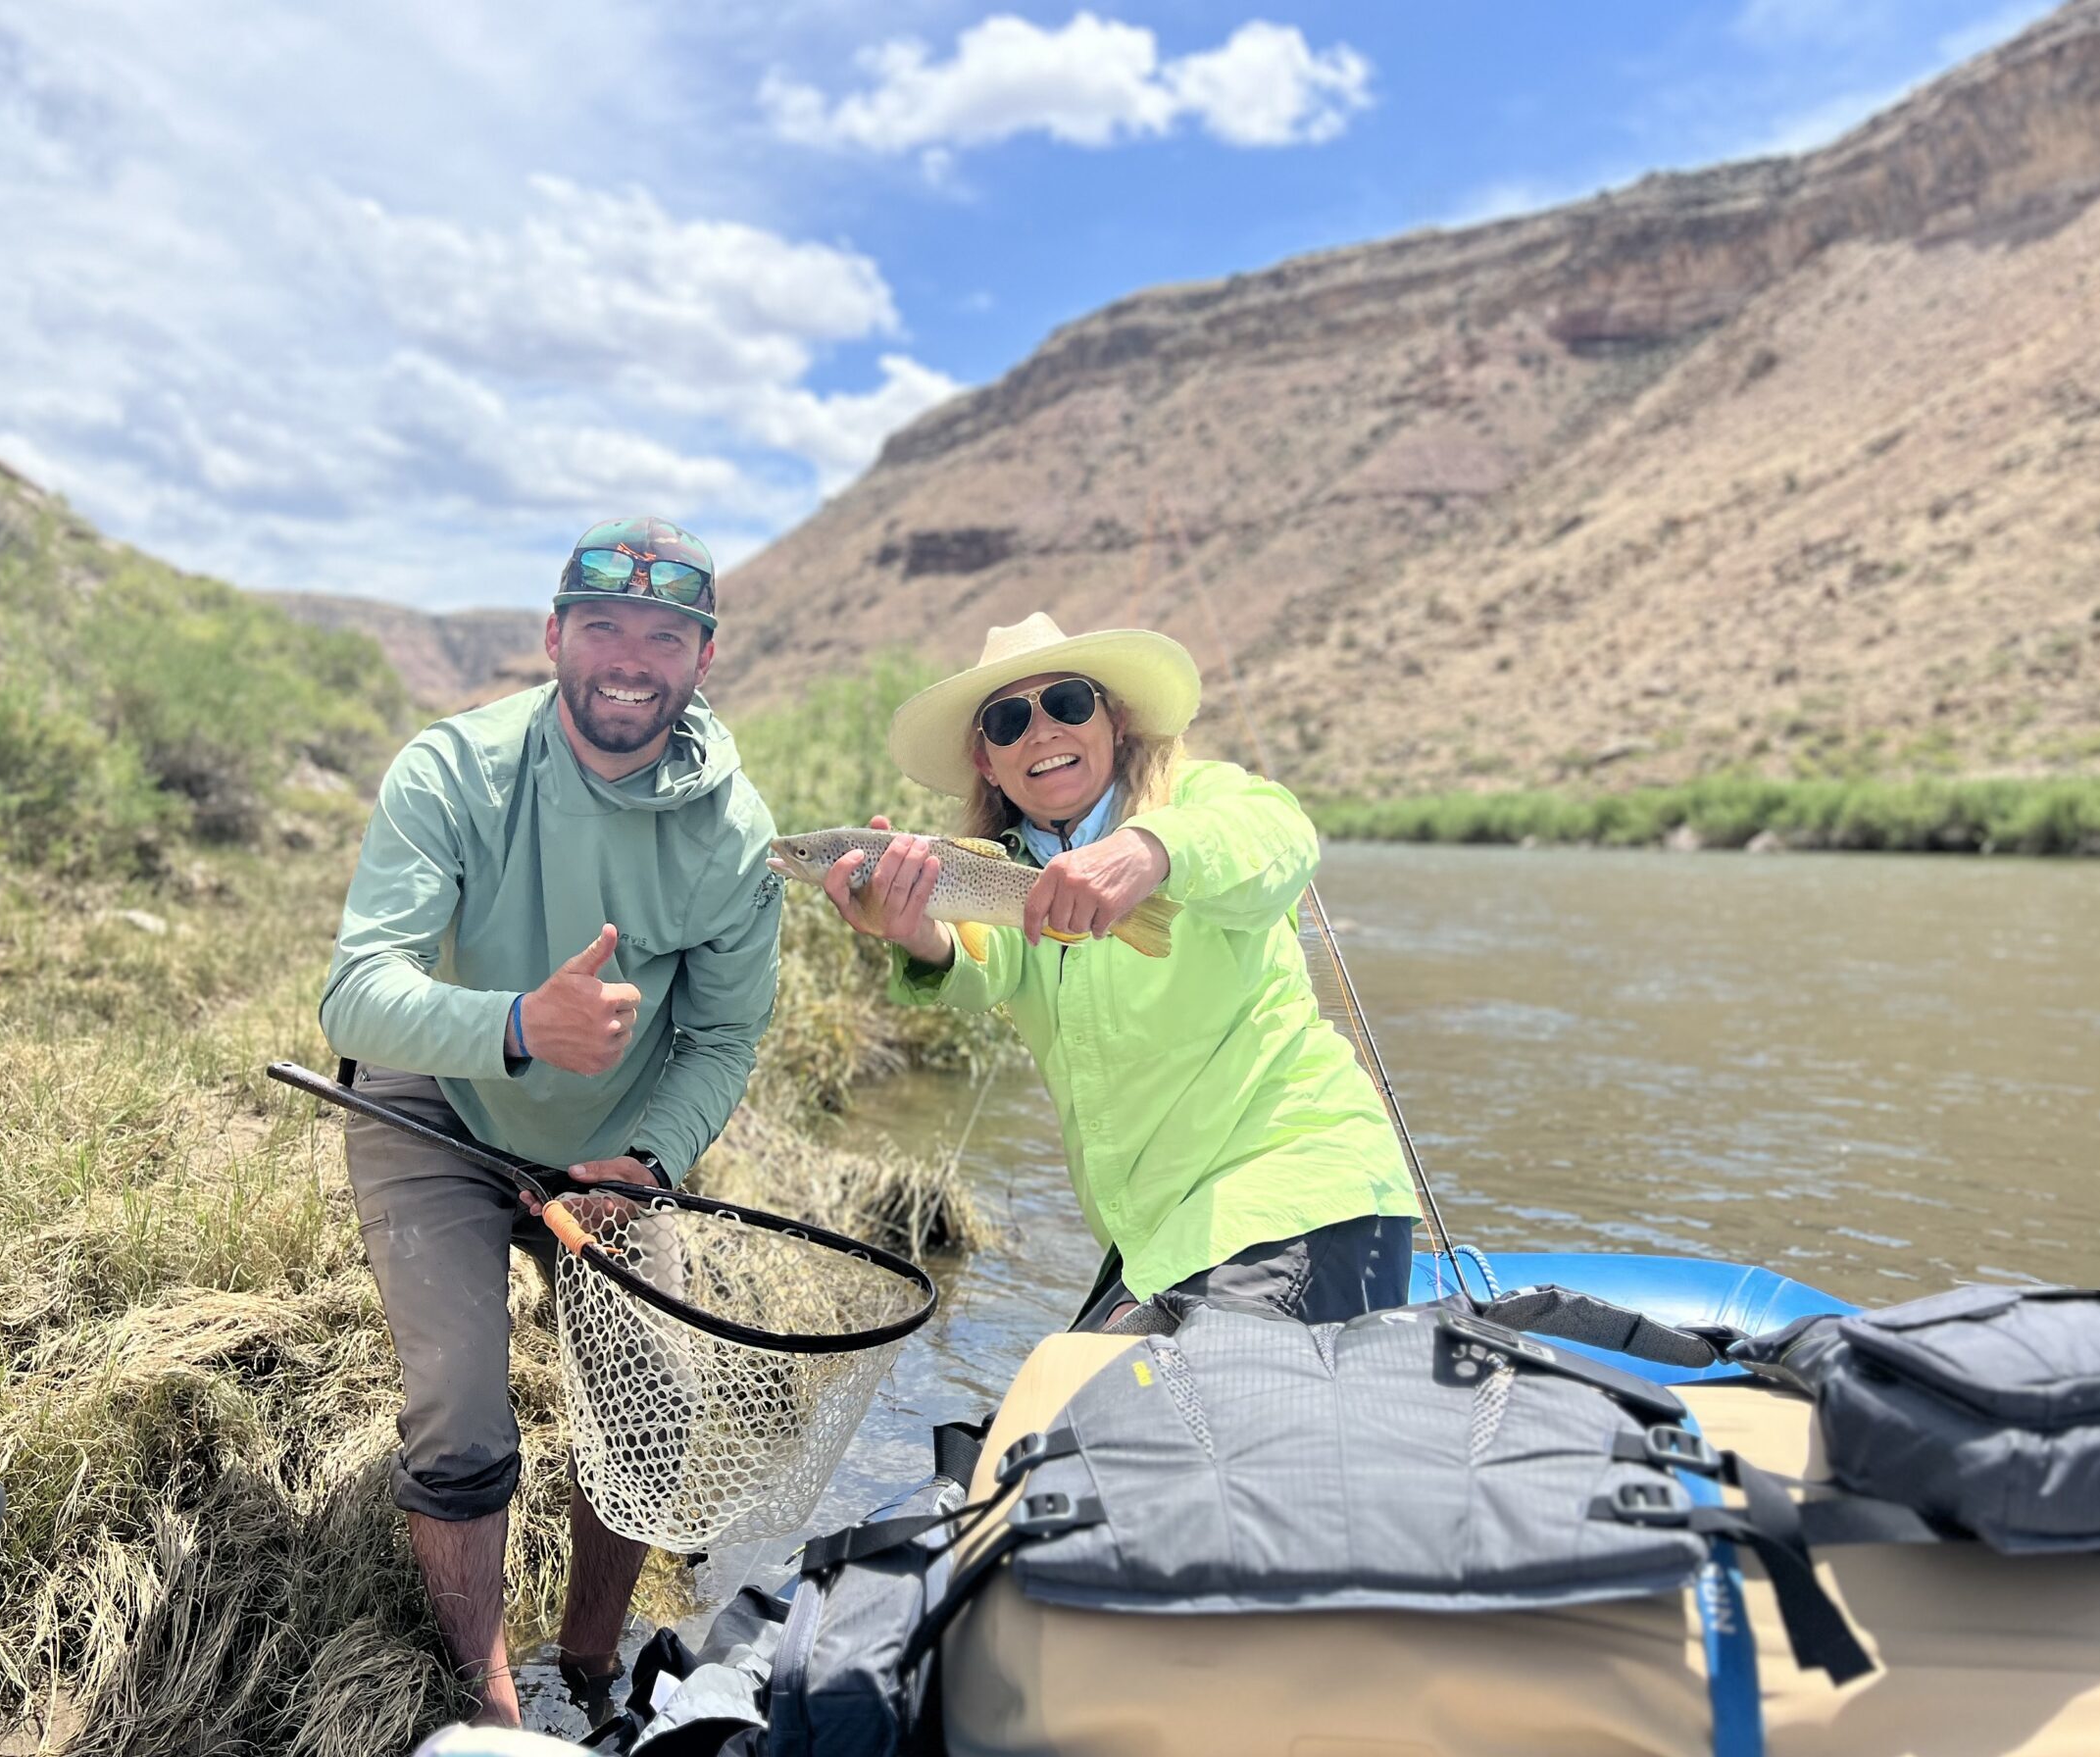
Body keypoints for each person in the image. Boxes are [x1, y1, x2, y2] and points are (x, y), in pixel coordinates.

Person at [320, 516, 780, 1728]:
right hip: (433, 1106)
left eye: (662, 635)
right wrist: (521, 1022)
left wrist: (647, 1159)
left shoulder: (736, 834)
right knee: (464, 1413)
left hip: (609, 1145)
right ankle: (491, 1704)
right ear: (554, 638)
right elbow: (358, 992)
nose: (630, 656)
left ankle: (589, 1665)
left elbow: (725, 1036)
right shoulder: (453, 767)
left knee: (652, 1399)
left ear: (702, 658)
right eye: (602, 627)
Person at [816, 611, 1419, 1330]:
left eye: (1067, 704)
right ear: (987, 760)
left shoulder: (1202, 800)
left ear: (1116, 722)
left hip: (1294, 1196)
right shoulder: (1005, 870)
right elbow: (981, 961)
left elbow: (1280, 838)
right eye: (1009, 721)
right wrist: (911, 930)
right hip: (1160, 1245)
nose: (1041, 732)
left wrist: (1149, 850)